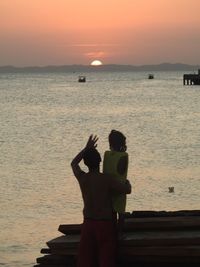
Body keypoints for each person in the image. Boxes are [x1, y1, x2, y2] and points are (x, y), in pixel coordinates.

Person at [71, 135, 131, 267]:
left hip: (88, 224)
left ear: (86, 163)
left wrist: (86, 148)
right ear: (100, 160)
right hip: (105, 225)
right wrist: (128, 183)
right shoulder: (106, 179)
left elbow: (73, 163)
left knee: (85, 262)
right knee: (106, 261)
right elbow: (126, 190)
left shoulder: (83, 178)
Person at [103, 130, 129, 231]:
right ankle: (120, 233)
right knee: (121, 213)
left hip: (108, 189)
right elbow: (121, 171)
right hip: (120, 187)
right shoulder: (124, 156)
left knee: (111, 213)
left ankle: (111, 232)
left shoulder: (107, 155)